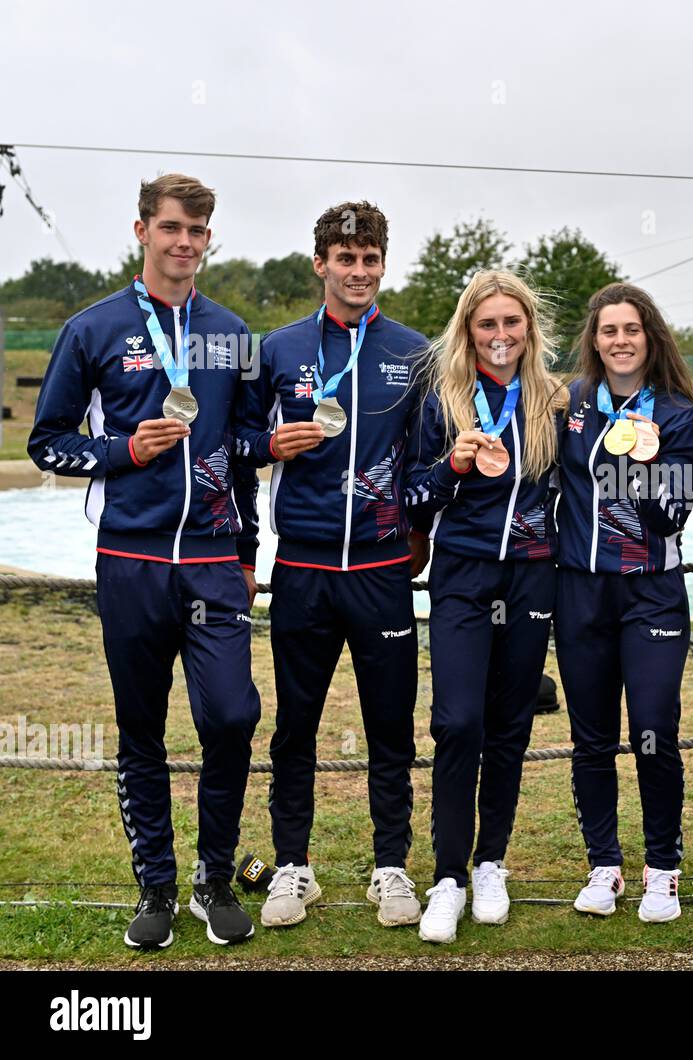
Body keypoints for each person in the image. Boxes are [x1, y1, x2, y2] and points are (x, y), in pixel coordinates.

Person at [28, 174, 262, 948]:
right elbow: (49, 443)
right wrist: (122, 452)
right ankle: (156, 888)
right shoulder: (92, 328)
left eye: (198, 232)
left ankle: (214, 878)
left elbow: (242, 450)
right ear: (142, 232)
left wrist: (248, 550)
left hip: (212, 560)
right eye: (171, 229)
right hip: (129, 559)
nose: (184, 243)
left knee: (233, 715)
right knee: (142, 733)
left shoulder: (232, 332)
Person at [236, 202, 428, 930]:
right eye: (344, 258)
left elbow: (429, 456)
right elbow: (237, 444)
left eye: (369, 258)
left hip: (381, 571)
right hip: (305, 570)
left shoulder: (415, 351)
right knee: (296, 726)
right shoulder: (277, 348)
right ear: (320, 263)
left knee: (390, 726)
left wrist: (419, 532)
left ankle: (392, 868)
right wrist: (268, 447)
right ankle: (292, 867)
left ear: (383, 264)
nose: (357, 271)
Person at [404, 270, 567, 944]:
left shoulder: (554, 401)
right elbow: (410, 496)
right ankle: (447, 876)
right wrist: (452, 469)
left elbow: (580, 491)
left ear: (528, 328)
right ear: (467, 331)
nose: (500, 336)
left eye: (511, 323)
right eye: (486, 325)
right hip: (463, 576)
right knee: (457, 722)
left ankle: (490, 861)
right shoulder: (442, 400)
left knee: (509, 724)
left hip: (532, 576)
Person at [554, 283, 693, 922]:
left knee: (651, 730)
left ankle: (662, 869)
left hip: (651, 593)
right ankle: (604, 866)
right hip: (580, 589)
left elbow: (672, 518)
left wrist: (643, 459)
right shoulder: (572, 402)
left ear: (650, 337)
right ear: (595, 340)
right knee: (591, 739)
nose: (619, 340)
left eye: (631, 330)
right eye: (608, 330)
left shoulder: (677, 413)